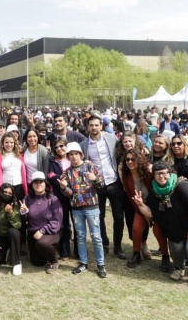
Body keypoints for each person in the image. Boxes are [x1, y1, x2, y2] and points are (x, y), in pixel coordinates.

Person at [133, 161, 188, 288]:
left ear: (170, 174)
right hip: (176, 224)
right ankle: (178, 268)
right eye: (158, 174)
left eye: (164, 173)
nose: (161, 176)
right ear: (154, 176)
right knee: (175, 244)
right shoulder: (155, 192)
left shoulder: (181, 187)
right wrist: (140, 204)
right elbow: (151, 213)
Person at [80, 115, 130, 259]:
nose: (94, 128)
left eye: (96, 125)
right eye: (91, 125)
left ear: (101, 126)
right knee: (99, 216)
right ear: (87, 127)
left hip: (114, 182)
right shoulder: (84, 145)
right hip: (96, 185)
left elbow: (125, 149)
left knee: (118, 217)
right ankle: (105, 244)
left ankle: (118, 246)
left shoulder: (111, 138)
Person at [58, 142, 107, 278]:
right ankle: (83, 263)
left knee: (96, 237)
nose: (74, 157)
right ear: (68, 156)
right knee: (80, 237)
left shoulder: (90, 166)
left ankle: (100, 264)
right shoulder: (67, 172)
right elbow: (69, 193)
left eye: (76, 154)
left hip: (92, 207)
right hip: (76, 209)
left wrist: (95, 178)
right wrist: (63, 187)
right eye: (71, 154)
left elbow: (101, 184)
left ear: (81, 154)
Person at [120, 149, 170, 271]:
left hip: (156, 206)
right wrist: (142, 210)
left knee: (158, 232)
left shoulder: (148, 173)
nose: (130, 161)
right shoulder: (127, 177)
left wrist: (151, 213)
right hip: (140, 207)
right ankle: (136, 254)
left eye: (133, 159)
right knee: (136, 229)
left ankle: (165, 257)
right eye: (127, 159)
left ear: (139, 159)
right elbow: (131, 197)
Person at [21, 172, 63, 273]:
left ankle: (54, 261)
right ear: (32, 185)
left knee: (42, 243)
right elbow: (23, 221)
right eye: (35, 182)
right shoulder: (27, 198)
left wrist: (43, 230)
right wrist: (23, 212)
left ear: (46, 184)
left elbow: (57, 220)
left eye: (41, 182)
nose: (38, 184)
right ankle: (46, 251)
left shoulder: (53, 199)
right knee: (37, 263)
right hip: (33, 233)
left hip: (51, 231)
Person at [47, 139, 76, 260]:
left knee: (77, 224)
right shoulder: (52, 161)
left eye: (61, 146)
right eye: (56, 147)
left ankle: (79, 252)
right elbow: (50, 175)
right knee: (64, 223)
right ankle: (65, 252)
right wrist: (62, 177)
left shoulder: (73, 159)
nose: (59, 149)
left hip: (74, 195)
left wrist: (66, 178)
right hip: (59, 196)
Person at [0, 132, 28, 200]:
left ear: (14, 143)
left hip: (19, 186)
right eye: (6, 142)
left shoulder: (20, 154)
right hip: (6, 188)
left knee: (20, 208)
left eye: (11, 142)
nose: (9, 144)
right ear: (2, 143)